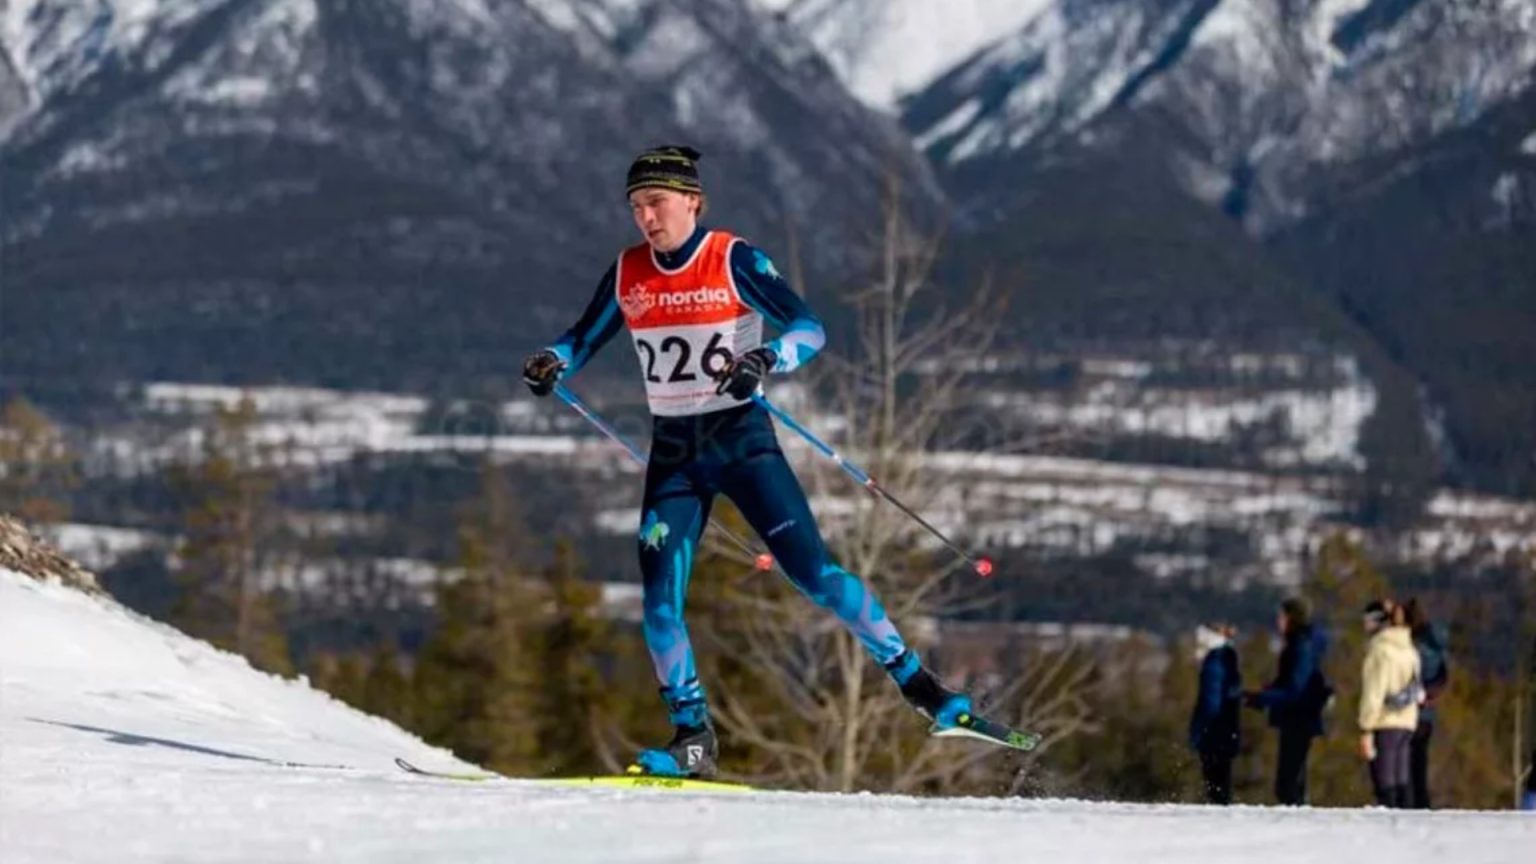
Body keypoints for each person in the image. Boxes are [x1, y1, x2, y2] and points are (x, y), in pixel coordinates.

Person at [520, 145, 973, 778]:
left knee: (814, 576)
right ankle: (692, 735)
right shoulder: (627, 272)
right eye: (635, 207)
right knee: (657, 605)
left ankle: (920, 685)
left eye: (656, 203)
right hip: (675, 456)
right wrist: (551, 361)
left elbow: (809, 326)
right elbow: (581, 337)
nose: (646, 217)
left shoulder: (732, 257)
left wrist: (768, 359)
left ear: (692, 202)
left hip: (743, 444)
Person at [1245, 597, 1332, 806]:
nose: (1278, 621)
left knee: (1289, 782)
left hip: (1298, 715)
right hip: (1300, 715)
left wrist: (1263, 698)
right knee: (1293, 777)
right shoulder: (1302, 643)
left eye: (1282, 616)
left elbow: (1294, 688)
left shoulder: (1300, 646)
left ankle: (1295, 821)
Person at [1358, 599, 1421, 809]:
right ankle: (1407, 820)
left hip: (1384, 721)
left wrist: (1366, 726)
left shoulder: (1380, 650)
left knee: (1384, 783)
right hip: (1407, 721)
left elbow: (1374, 691)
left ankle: (1389, 828)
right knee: (1402, 780)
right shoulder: (1409, 648)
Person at [1188, 623, 1242, 805]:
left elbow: (1210, 703)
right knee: (1221, 782)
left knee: (1214, 783)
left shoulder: (1214, 663)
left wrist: (1198, 731)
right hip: (1226, 730)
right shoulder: (1228, 659)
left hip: (1213, 733)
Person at [1404, 597, 1449, 809]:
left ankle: (1413, 804)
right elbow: (1443, 676)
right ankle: (1421, 803)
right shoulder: (1436, 645)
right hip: (1428, 712)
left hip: (1411, 710)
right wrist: (1431, 696)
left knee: (1408, 765)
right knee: (1420, 762)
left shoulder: (1414, 646)